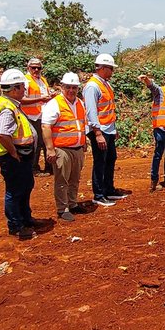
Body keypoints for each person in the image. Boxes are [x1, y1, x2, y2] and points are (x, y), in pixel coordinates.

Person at [0, 68, 49, 239]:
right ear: (14, 89)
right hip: (12, 158)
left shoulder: (11, 104)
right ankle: (16, 225)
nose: (25, 90)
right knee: (15, 191)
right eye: (22, 87)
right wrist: (13, 152)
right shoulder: (7, 108)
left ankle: (25, 218)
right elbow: (1, 133)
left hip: (20, 155)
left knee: (25, 186)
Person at [41, 71, 87, 221]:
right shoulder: (54, 104)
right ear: (62, 87)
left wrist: (84, 141)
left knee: (75, 178)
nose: (72, 90)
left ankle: (72, 203)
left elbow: (81, 124)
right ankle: (63, 208)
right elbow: (46, 127)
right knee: (62, 180)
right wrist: (50, 149)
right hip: (62, 149)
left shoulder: (80, 103)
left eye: (74, 87)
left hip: (77, 148)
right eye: (68, 87)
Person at [84, 53, 125, 207]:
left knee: (110, 159)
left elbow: (108, 108)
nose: (112, 72)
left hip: (108, 128)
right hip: (99, 130)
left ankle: (109, 189)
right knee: (100, 161)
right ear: (102, 68)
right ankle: (99, 194)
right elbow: (91, 111)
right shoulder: (93, 86)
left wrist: (113, 129)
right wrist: (98, 133)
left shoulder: (105, 84)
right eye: (110, 68)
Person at [140, 72, 165, 191]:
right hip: (161, 128)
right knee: (158, 155)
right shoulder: (160, 92)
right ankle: (154, 182)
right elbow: (152, 87)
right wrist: (146, 80)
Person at [21, 57, 55, 174]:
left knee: (46, 141)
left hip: (43, 115)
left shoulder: (43, 80)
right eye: (33, 68)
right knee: (36, 142)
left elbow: (45, 94)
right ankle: (33, 168)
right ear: (28, 68)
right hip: (31, 116)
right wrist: (40, 99)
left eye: (38, 68)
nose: (36, 70)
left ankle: (49, 167)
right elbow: (21, 99)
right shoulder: (25, 81)